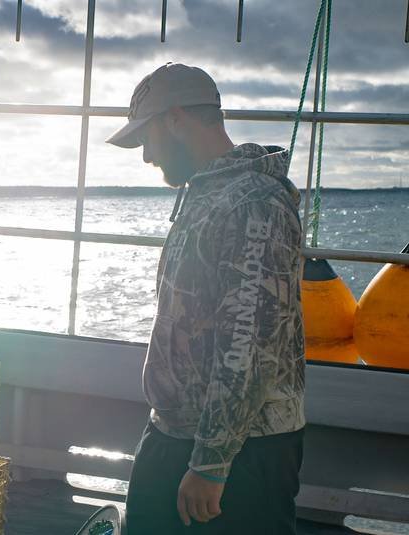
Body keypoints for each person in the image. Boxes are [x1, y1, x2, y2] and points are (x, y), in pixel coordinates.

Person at [107, 62, 306, 534]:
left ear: (176, 119)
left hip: (240, 452)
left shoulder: (253, 203)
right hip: (179, 434)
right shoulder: (206, 193)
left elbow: (250, 345)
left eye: (147, 138)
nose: (146, 157)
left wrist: (211, 465)